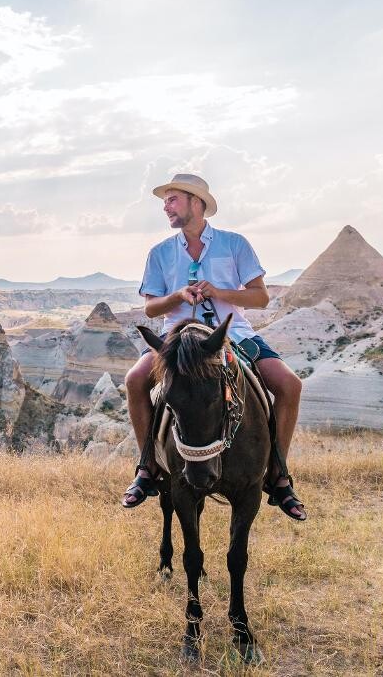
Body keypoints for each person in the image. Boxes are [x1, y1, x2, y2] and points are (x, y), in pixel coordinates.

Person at [119, 173, 306, 521]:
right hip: (178, 339)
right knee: (134, 380)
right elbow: (150, 307)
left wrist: (220, 292)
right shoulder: (160, 253)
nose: (166, 207)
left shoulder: (234, 244)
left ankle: (278, 474)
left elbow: (261, 296)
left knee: (289, 384)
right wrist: (177, 296)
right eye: (165, 201)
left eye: (172, 199)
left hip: (232, 334)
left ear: (196, 202)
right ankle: (147, 466)